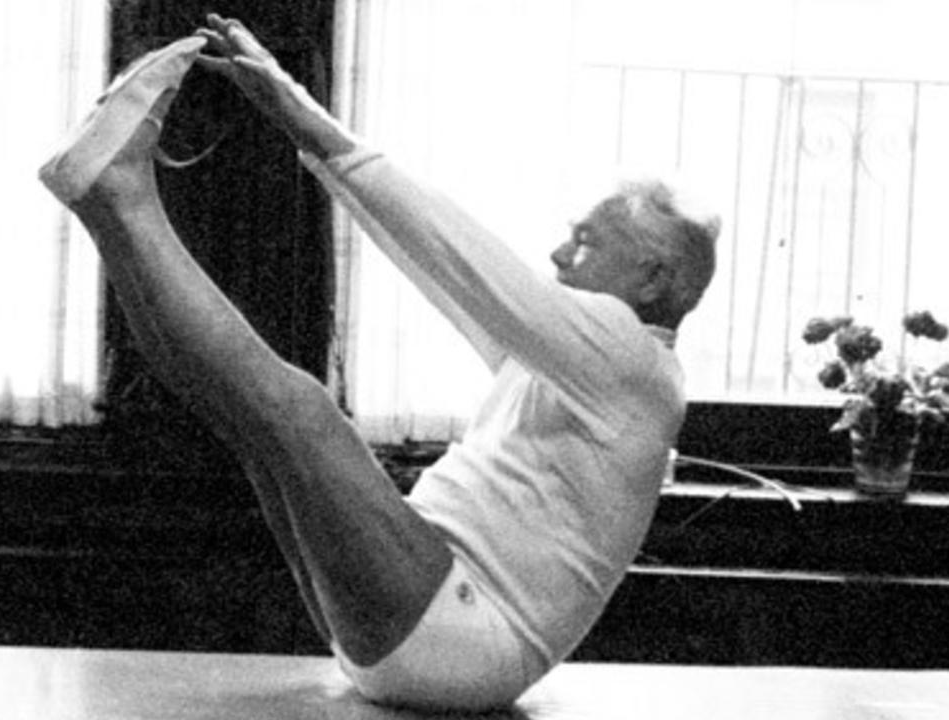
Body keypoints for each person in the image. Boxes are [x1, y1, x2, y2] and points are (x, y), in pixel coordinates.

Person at [39, 15, 719, 712]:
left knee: (299, 413)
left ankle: (121, 196)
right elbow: (439, 270)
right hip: (430, 628)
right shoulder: (590, 372)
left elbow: (458, 254)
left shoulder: (632, 359)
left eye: (585, 241)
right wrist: (308, 132)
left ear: (652, 278)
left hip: (460, 638)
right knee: (256, 424)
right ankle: (108, 208)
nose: (558, 254)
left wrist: (304, 118)